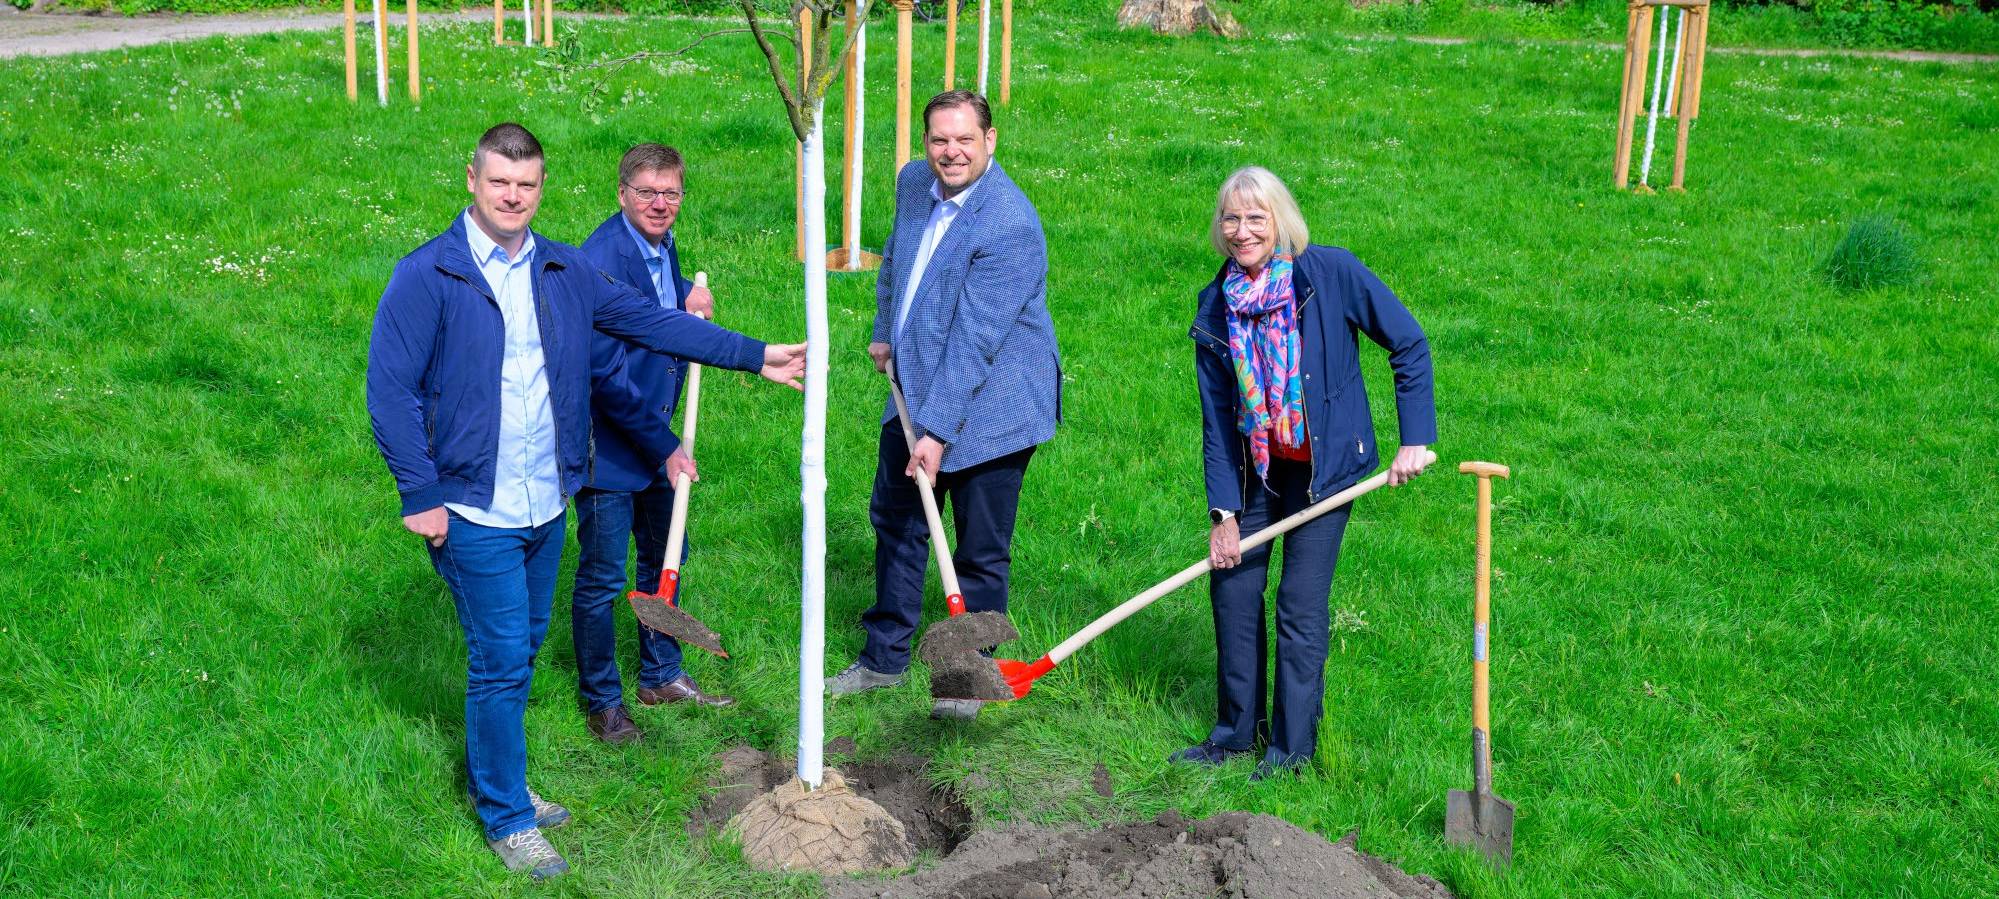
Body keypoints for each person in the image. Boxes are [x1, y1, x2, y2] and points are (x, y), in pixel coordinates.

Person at [365, 123, 805, 879]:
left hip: (545, 504)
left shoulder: (562, 268)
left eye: (527, 184)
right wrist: (420, 492)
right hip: (472, 507)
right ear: (471, 179)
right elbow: (390, 389)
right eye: (500, 181)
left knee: (523, 649)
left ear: (541, 188)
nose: (513, 196)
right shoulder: (428, 274)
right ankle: (506, 814)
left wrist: (752, 355)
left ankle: (495, 775)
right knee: (501, 659)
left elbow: (651, 321)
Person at [1176, 166, 1435, 781]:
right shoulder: (1215, 306)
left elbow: (1408, 343)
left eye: (1256, 218)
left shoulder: (1330, 275)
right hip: (1258, 472)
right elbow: (1217, 422)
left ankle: (1290, 754)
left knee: (1298, 602)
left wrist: (1415, 439)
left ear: (1280, 221)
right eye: (1231, 219)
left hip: (1328, 469)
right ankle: (1235, 736)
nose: (1242, 232)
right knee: (1234, 591)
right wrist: (1224, 514)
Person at [825, 90, 1061, 720]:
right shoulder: (913, 184)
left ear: (990, 141)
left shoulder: (1009, 223)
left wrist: (934, 432)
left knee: (978, 547)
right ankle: (883, 658)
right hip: (916, 381)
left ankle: (966, 679)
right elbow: (897, 268)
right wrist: (884, 330)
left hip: (994, 402)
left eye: (964, 139)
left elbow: (977, 340)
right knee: (897, 521)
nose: (950, 152)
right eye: (938, 139)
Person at [570, 143, 734, 747]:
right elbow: (605, 376)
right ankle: (602, 701)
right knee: (602, 578)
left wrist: (688, 293)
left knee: (663, 559)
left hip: (658, 433)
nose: (660, 203)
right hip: (611, 447)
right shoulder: (602, 258)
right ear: (621, 195)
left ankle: (662, 675)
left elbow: (657, 306)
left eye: (671, 193)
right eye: (646, 192)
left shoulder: (658, 245)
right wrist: (665, 445)